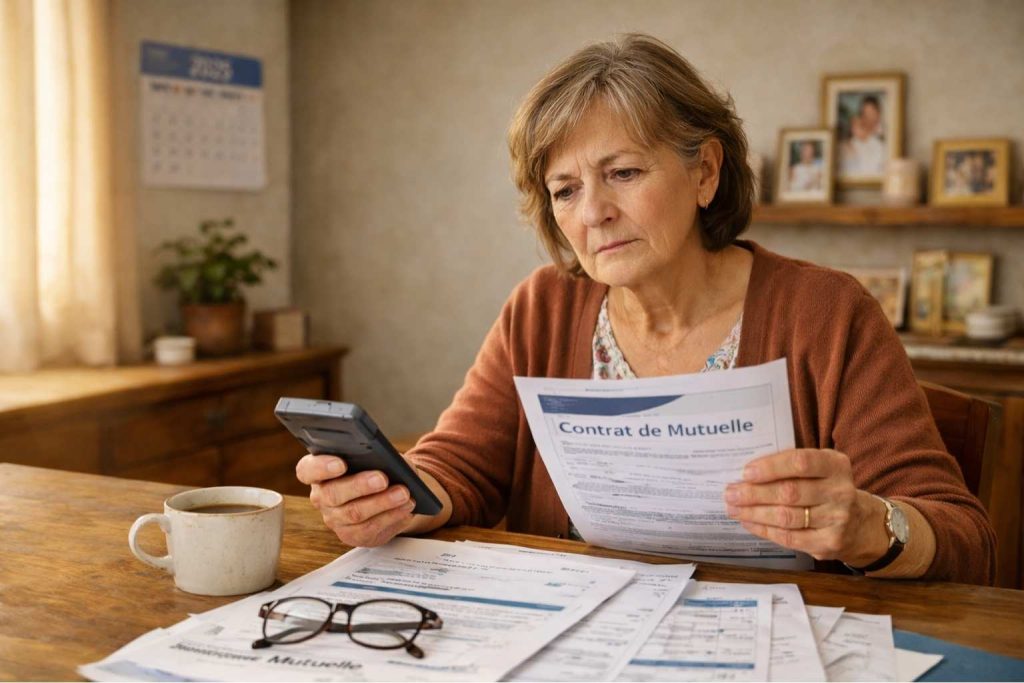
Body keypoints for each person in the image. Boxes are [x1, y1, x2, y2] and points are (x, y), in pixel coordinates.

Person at [296, 34, 995, 585]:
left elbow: (966, 540)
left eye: (623, 173)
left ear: (705, 171)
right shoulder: (543, 306)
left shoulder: (827, 312)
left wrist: (874, 526)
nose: (594, 212)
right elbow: (462, 466)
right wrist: (396, 497)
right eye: (565, 189)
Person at [839, 95, 886, 177]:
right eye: (865, 114)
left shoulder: (883, 141)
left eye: (871, 113)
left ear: (878, 114)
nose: (868, 118)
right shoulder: (850, 143)